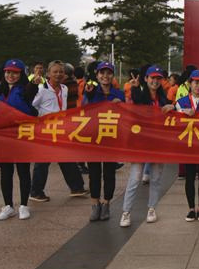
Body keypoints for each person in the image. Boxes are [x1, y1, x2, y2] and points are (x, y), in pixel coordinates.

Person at [0, 59, 39, 220]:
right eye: (8, 72)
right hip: (3, 138)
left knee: (23, 171)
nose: (10, 75)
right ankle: (8, 206)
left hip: (21, 137)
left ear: (21, 74)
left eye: (14, 72)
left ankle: (23, 205)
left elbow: (32, 107)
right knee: (6, 172)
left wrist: (34, 84)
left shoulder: (26, 90)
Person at [120, 65, 175, 227]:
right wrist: (135, 87)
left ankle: (152, 208)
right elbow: (136, 101)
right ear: (146, 78)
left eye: (158, 78)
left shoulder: (163, 98)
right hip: (140, 143)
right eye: (152, 78)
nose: (155, 81)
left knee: (156, 179)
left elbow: (170, 113)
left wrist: (171, 107)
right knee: (135, 178)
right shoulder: (140, 94)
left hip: (158, 143)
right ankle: (126, 212)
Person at [29, 60, 89, 202]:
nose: (58, 74)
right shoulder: (41, 89)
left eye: (61, 71)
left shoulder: (64, 88)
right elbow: (32, 107)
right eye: (55, 71)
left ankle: (76, 187)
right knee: (43, 162)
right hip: (45, 130)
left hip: (60, 129)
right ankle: (35, 191)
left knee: (66, 157)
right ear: (48, 73)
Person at [82, 61, 124, 221]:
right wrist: (89, 95)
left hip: (111, 138)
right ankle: (95, 204)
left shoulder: (119, 95)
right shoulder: (91, 91)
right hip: (93, 138)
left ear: (112, 75)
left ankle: (106, 203)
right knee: (94, 173)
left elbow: (126, 115)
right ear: (97, 75)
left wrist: (120, 106)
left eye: (108, 73)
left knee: (109, 173)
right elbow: (83, 110)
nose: (105, 76)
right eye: (102, 73)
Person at [175, 69, 199, 221]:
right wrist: (183, 111)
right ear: (190, 83)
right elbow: (175, 120)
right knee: (190, 177)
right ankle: (191, 208)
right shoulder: (181, 102)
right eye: (196, 82)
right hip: (188, 146)